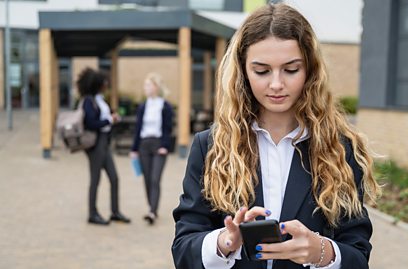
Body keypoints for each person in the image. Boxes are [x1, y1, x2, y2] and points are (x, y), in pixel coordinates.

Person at [171, 3, 381, 269]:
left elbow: (358, 256)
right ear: (243, 72)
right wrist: (225, 241)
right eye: (261, 71)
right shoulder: (210, 146)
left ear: (310, 70)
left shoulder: (340, 148)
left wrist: (322, 251)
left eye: (291, 69)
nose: (276, 84)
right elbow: (183, 249)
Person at [78, 67, 131, 225]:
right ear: (96, 84)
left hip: (104, 142)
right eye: (104, 82)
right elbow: (91, 123)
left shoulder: (99, 100)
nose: (106, 84)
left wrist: (112, 116)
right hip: (95, 143)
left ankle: (115, 211)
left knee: (114, 178)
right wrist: (109, 120)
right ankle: (92, 213)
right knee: (95, 179)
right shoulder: (88, 101)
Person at [130, 72, 173, 225]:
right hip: (143, 145)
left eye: (148, 85)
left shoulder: (165, 106)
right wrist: (134, 149)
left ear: (156, 87)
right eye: (145, 85)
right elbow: (138, 128)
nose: (146, 88)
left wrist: (165, 146)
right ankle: (151, 207)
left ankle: (152, 212)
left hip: (158, 145)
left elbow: (168, 128)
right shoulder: (143, 106)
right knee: (147, 179)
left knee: (155, 179)